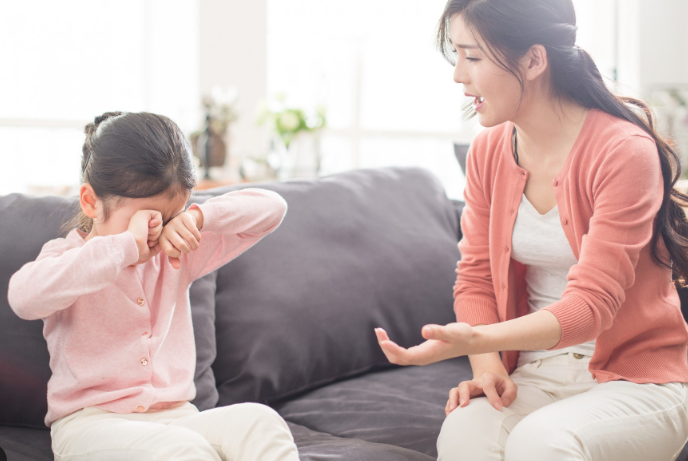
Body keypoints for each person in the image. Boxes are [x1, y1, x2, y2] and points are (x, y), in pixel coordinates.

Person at [375, 1, 688, 460]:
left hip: (637, 378)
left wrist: (478, 340)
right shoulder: (487, 152)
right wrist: (485, 368)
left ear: (534, 60)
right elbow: (477, 276)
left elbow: (592, 306)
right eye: (456, 55)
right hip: (537, 373)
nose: (458, 75)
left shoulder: (623, 151)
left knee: (541, 443)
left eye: (473, 57)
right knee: (463, 433)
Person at [8, 111, 298, 461]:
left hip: (179, 419)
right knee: (183, 451)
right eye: (145, 218)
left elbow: (272, 208)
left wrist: (196, 218)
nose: (158, 231)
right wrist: (125, 246)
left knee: (260, 423)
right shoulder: (71, 259)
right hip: (92, 427)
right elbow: (24, 298)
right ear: (90, 202)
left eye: (170, 216)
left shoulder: (176, 251)